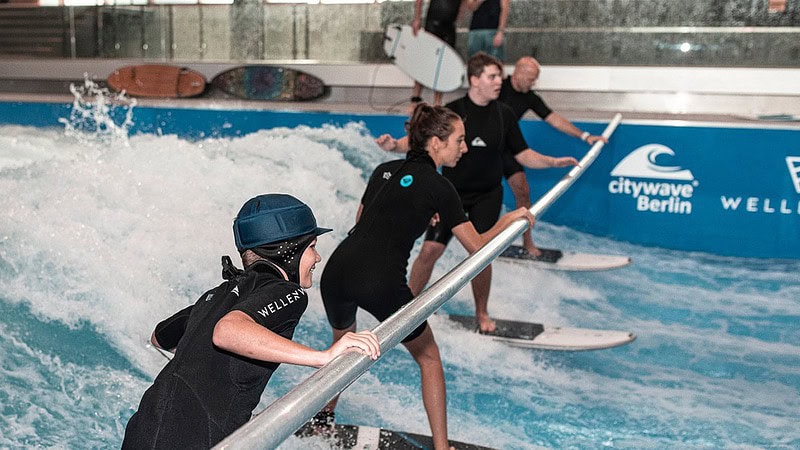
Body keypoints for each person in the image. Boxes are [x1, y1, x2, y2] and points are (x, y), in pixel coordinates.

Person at [318, 104, 534, 450]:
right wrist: (511, 220)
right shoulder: (440, 186)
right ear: (436, 143)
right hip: (380, 281)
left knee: (342, 348)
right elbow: (477, 248)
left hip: (337, 270)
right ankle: (442, 447)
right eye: (459, 141)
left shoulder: (383, 170)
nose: (464, 148)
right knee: (429, 358)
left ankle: (321, 419)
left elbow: (363, 223)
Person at [122, 194, 380, 449]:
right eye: (312, 247)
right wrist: (324, 357)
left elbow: (160, 336)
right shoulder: (287, 291)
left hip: (144, 428)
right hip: (195, 440)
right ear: (288, 250)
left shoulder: (218, 295)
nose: (317, 258)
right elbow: (227, 332)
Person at [376, 52, 577, 333]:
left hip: (487, 195)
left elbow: (524, 154)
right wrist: (394, 146)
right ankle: (402, 309)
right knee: (429, 251)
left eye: (499, 76)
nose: (499, 82)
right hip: (450, 195)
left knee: (480, 256)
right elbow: (423, 141)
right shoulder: (455, 110)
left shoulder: (503, 114)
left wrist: (553, 163)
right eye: (492, 77)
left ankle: (482, 314)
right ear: (474, 80)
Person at [499, 56, 608, 257]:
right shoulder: (498, 86)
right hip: (481, 149)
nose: (534, 83)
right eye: (531, 78)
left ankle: (527, 242)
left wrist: (585, 136)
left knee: (523, 191)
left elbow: (555, 120)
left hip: (509, 149)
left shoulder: (530, 97)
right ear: (518, 72)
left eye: (535, 79)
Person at [410, 0, 465, 108]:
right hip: (433, 24)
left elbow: (463, 4)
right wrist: (417, 19)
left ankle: (437, 101)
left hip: (449, 26)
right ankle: (415, 98)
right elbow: (418, 1)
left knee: (443, 65)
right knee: (425, 61)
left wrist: (459, 15)